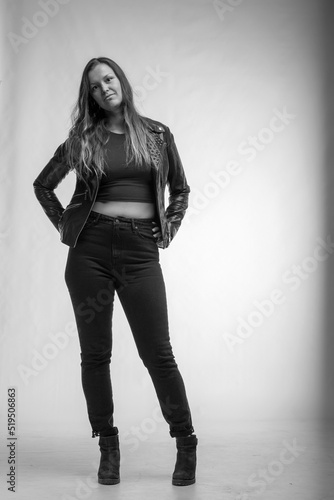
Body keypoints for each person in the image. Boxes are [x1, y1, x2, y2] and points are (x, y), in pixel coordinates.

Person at [33, 57, 197, 486]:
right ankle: (108, 447)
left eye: (109, 79)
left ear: (121, 81)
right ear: (89, 96)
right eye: (94, 85)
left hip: (141, 250)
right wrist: (69, 226)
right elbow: (43, 184)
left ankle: (185, 443)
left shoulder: (158, 135)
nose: (104, 88)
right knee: (95, 355)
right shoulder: (83, 138)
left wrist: (169, 229)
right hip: (90, 253)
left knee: (158, 354)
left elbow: (180, 189)